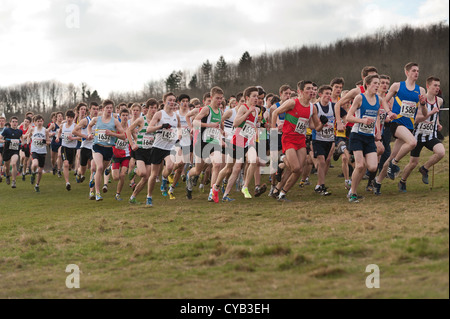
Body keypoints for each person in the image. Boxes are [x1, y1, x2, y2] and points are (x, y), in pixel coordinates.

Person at [373, 62, 427, 195]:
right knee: (413, 143)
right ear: (407, 72)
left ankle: (377, 182)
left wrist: (423, 104)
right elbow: (385, 100)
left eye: (418, 71)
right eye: (414, 70)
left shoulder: (421, 91)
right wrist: (388, 112)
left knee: (391, 156)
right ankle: (394, 164)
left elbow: (424, 114)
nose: (416, 73)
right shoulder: (397, 86)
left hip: (409, 126)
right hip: (396, 123)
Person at [271, 80, 325, 201]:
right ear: (300, 91)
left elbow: (316, 127)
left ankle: (280, 192)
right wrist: (274, 131)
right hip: (288, 138)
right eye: (308, 89)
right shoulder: (292, 102)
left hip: (300, 139)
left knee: (298, 170)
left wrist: (323, 123)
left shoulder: (312, 108)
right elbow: (275, 112)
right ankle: (282, 159)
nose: (311, 91)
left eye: (312, 89)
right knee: (295, 168)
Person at [212, 86, 260, 202]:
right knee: (228, 168)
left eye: (257, 96)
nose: (256, 98)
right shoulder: (243, 108)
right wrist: (248, 112)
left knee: (254, 160)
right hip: (238, 140)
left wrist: (255, 132)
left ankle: (245, 187)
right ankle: (216, 187)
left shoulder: (257, 110)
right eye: (254, 96)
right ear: (247, 97)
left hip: (248, 141)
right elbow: (236, 123)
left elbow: (252, 125)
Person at [346, 75, 389, 202]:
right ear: (368, 85)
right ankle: (352, 193)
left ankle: (352, 188)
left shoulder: (379, 100)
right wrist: (362, 120)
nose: (378, 86)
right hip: (357, 135)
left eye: (379, 83)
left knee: (372, 167)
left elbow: (375, 116)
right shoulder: (360, 98)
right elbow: (349, 117)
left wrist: (378, 132)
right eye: (375, 83)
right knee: (360, 166)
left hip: (369, 137)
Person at [398, 76, 445, 191]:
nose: (437, 88)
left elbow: (436, 114)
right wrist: (429, 114)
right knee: (413, 163)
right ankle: (402, 181)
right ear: (428, 86)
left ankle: (424, 168)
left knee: (441, 152)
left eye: (438, 86)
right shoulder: (420, 100)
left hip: (430, 135)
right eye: (435, 85)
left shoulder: (439, 101)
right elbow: (417, 118)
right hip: (417, 136)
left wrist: (437, 123)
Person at [186, 87, 225, 201]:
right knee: (198, 170)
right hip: (202, 142)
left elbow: (219, 125)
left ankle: (212, 193)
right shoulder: (206, 110)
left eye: (221, 98)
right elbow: (195, 121)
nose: (219, 101)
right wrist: (209, 126)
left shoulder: (220, 111)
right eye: (217, 98)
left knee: (217, 164)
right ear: (212, 98)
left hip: (214, 141)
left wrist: (222, 131)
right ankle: (189, 174)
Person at [145, 92, 182, 207]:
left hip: (169, 147)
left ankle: (164, 177)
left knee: (170, 166)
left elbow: (179, 127)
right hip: (158, 147)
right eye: (170, 100)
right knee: (153, 174)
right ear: (165, 101)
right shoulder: (159, 114)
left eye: (174, 100)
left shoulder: (176, 116)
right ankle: (149, 196)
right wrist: (161, 126)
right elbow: (148, 129)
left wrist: (178, 136)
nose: (172, 102)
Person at [87, 99, 125, 201]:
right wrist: (90, 134)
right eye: (107, 108)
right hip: (97, 146)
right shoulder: (96, 119)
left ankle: (94, 177)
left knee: (102, 170)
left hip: (108, 149)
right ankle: (97, 193)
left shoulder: (115, 121)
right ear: (103, 109)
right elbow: (89, 126)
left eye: (111, 108)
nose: (109, 109)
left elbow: (123, 136)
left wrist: (112, 134)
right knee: (99, 167)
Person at [127, 98, 159, 204]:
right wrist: (132, 144)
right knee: (142, 173)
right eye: (151, 108)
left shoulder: (157, 121)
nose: (153, 110)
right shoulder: (141, 120)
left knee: (146, 178)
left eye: (155, 108)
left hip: (151, 151)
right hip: (140, 150)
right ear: (147, 108)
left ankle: (133, 197)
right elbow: (128, 130)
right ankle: (135, 170)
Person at [312, 85, 336, 196]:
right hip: (318, 138)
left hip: (329, 139)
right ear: (320, 94)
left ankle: (319, 184)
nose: (328, 96)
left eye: (330, 94)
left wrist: (343, 122)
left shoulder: (334, 106)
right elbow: (313, 125)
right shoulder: (315, 107)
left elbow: (343, 116)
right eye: (326, 93)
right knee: (321, 161)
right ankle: (322, 186)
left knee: (326, 161)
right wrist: (321, 123)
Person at [72, 102, 99, 199]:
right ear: (90, 110)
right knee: (82, 170)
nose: (95, 111)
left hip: (95, 148)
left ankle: (91, 192)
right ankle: (79, 173)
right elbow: (74, 131)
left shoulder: (99, 120)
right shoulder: (85, 121)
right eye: (94, 109)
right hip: (85, 148)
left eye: (97, 109)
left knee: (93, 168)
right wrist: (85, 136)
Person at [55, 110, 79, 191]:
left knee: (70, 165)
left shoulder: (75, 126)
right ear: (66, 117)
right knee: (65, 164)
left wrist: (73, 138)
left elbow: (81, 137)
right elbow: (59, 132)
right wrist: (58, 137)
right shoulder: (63, 125)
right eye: (68, 117)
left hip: (72, 148)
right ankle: (67, 183)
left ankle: (69, 170)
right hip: (64, 147)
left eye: (71, 118)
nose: (69, 119)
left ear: (73, 118)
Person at [111, 109, 132, 201]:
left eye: (127, 115)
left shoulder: (130, 128)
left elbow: (135, 136)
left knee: (123, 175)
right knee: (115, 177)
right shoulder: (116, 127)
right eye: (123, 115)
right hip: (115, 155)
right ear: (119, 117)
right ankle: (108, 168)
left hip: (126, 155)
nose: (125, 117)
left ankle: (118, 194)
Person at [26, 115, 50, 192]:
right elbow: (28, 136)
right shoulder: (32, 129)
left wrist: (45, 142)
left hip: (42, 151)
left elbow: (48, 141)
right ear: (35, 122)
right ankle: (33, 173)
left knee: (40, 171)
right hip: (34, 150)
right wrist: (27, 144)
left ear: (43, 121)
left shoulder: (45, 130)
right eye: (38, 121)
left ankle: (37, 185)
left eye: (41, 121)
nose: (39, 122)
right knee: (35, 164)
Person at [0, 116, 23, 188]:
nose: (14, 123)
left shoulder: (19, 131)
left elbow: (22, 138)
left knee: (13, 164)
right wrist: (4, 141)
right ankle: (7, 176)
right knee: (7, 168)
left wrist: (22, 143)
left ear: (17, 123)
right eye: (13, 122)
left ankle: (14, 181)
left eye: (16, 122)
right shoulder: (6, 130)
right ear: (10, 123)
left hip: (15, 151)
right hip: (7, 151)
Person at [48, 111, 64, 177]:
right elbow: (47, 132)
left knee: (59, 156)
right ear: (56, 118)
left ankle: (59, 170)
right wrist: (50, 134)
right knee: (52, 158)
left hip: (61, 142)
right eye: (59, 116)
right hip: (54, 142)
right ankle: (54, 167)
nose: (60, 118)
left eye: (61, 116)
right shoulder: (53, 125)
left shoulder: (64, 125)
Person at [0, 115, 6, 182]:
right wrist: (4, 141)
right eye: (0, 121)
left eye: (2, 121)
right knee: (0, 160)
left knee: (5, 162)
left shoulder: (6, 129)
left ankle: (4, 173)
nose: (1, 122)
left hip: (5, 147)